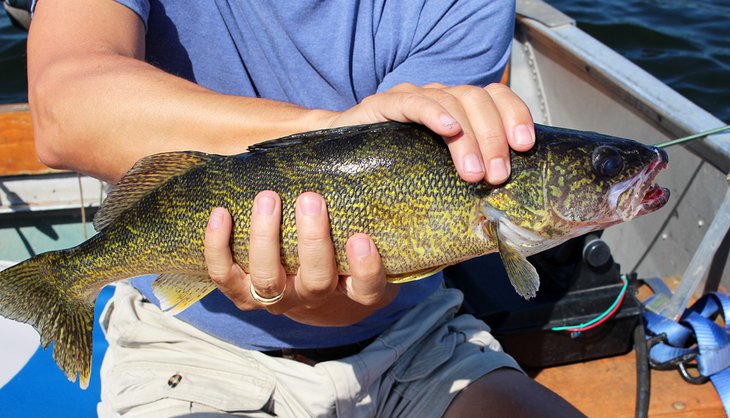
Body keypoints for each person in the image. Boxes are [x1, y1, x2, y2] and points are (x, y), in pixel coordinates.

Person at [27, 0, 585, 416]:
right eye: (601, 168)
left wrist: (319, 301)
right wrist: (329, 135)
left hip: (413, 336)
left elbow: (356, 297)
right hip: (191, 347)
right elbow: (61, 110)